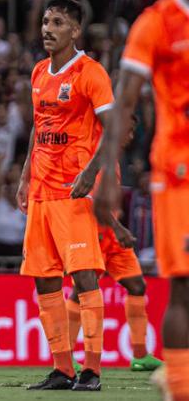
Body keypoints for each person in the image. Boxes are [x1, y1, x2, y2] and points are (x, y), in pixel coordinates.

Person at [94, 0, 189, 397]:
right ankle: (180, 385)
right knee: (183, 287)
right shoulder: (155, 22)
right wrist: (108, 173)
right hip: (177, 172)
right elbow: (125, 103)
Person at [17, 0, 115, 391]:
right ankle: (63, 368)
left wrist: (91, 174)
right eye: (45, 21)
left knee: (84, 277)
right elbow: (38, 128)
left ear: (76, 30)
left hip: (73, 190)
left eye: (58, 22)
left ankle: (91, 369)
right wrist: (24, 175)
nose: (47, 28)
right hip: (41, 190)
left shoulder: (91, 73)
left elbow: (113, 126)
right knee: (43, 280)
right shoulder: (39, 72)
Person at [68, 116, 162, 372]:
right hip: (94, 233)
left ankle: (141, 355)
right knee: (82, 292)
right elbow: (93, 200)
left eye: (132, 131)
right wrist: (119, 228)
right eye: (127, 131)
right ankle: (66, 357)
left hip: (111, 235)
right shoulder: (97, 157)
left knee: (136, 285)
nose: (130, 137)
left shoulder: (114, 159)